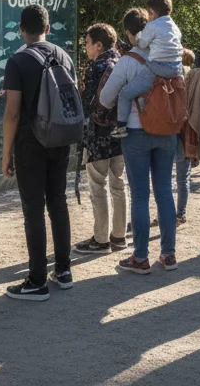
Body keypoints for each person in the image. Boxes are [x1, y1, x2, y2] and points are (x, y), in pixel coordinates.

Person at [2, 4, 77, 300]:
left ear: (22, 29)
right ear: (48, 28)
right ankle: (63, 269)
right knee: (58, 202)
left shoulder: (18, 60)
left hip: (31, 143)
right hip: (60, 138)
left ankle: (36, 280)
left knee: (33, 208)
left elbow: (13, 114)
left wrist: (7, 153)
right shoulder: (63, 55)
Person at [100, 7, 179, 274]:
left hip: (136, 132)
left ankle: (141, 257)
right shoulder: (168, 56)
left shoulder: (128, 61)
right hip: (167, 130)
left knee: (141, 196)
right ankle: (168, 254)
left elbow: (106, 99)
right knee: (165, 192)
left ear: (129, 33)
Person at [74, 23, 127, 254]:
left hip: (98, 135)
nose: (86, 48)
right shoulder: (123, 62)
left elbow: (87, 103)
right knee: (119, 185)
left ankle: (101, 239)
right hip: (121, 133)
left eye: (87, 43)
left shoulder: (96, 67)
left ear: (98, 44)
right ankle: (119, 236)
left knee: (98, 187)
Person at [112, 0, 184, 138]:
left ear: (151, 12)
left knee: (126, 94)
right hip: (176, 69)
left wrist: (138, 37)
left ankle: (121, 127)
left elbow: (143, 43)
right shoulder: (175, 27)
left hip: (157, 67)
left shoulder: (152, 26)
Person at [175, 47, 196, 227]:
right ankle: (180, 213)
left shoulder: (174, 77)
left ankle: (169, 212)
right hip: (188, 131)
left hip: (174, 129)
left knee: (165, 176)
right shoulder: (192, 80)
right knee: (183, 177)